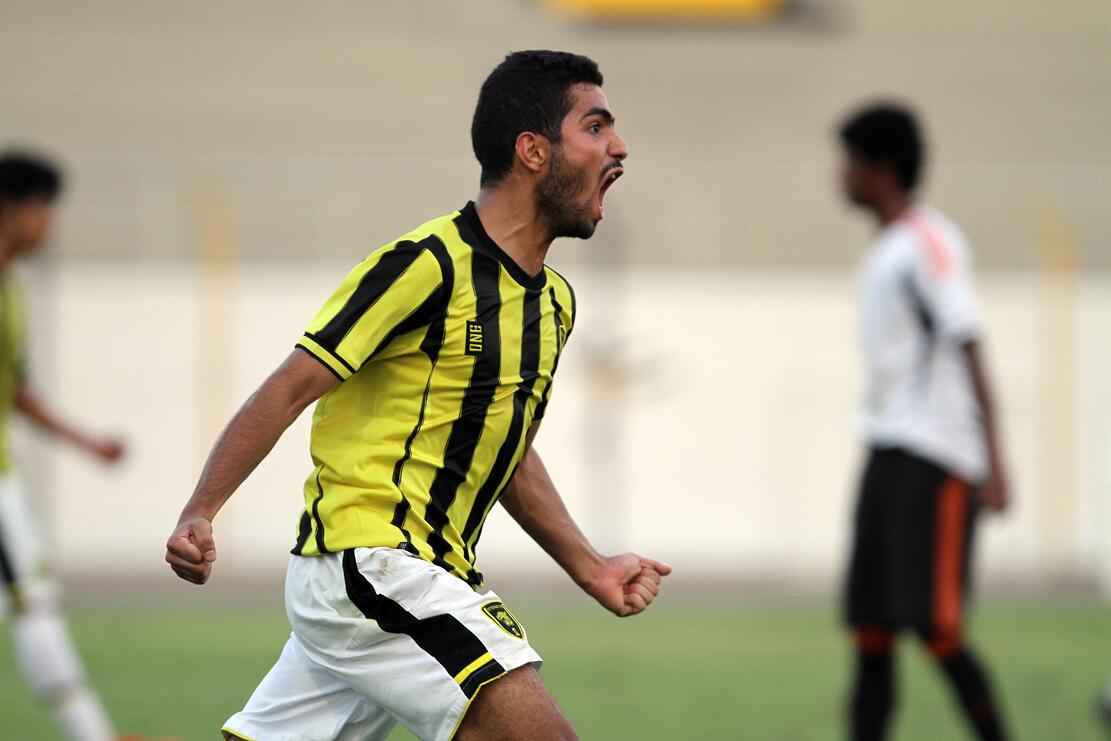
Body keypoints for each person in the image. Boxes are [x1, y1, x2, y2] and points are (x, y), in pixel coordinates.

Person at [165, 50, 670, 741]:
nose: (618, 146)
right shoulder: (425, 264)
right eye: (596, 126)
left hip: (415, 574)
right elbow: (291, 384)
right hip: (374, 561)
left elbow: (506, 452)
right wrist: (201, 509)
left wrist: (591, 566)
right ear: (532, 151)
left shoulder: (553, 303)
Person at [837, 103, 1011, 740]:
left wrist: (995, 461)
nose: (840, 176)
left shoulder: (928, 243)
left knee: (936, 627)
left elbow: (969, 341)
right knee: (870, 626)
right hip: (887, 450)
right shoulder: (887, 249)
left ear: (881, 167)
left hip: (935, 455)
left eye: (849, 161)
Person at [0, 151, 126, 740]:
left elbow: (15, 389)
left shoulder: (11, 289)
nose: (49, 225)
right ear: (15, 207)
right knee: (35, 600)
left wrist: (86, 444)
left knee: (34, 598)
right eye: (46, 209)